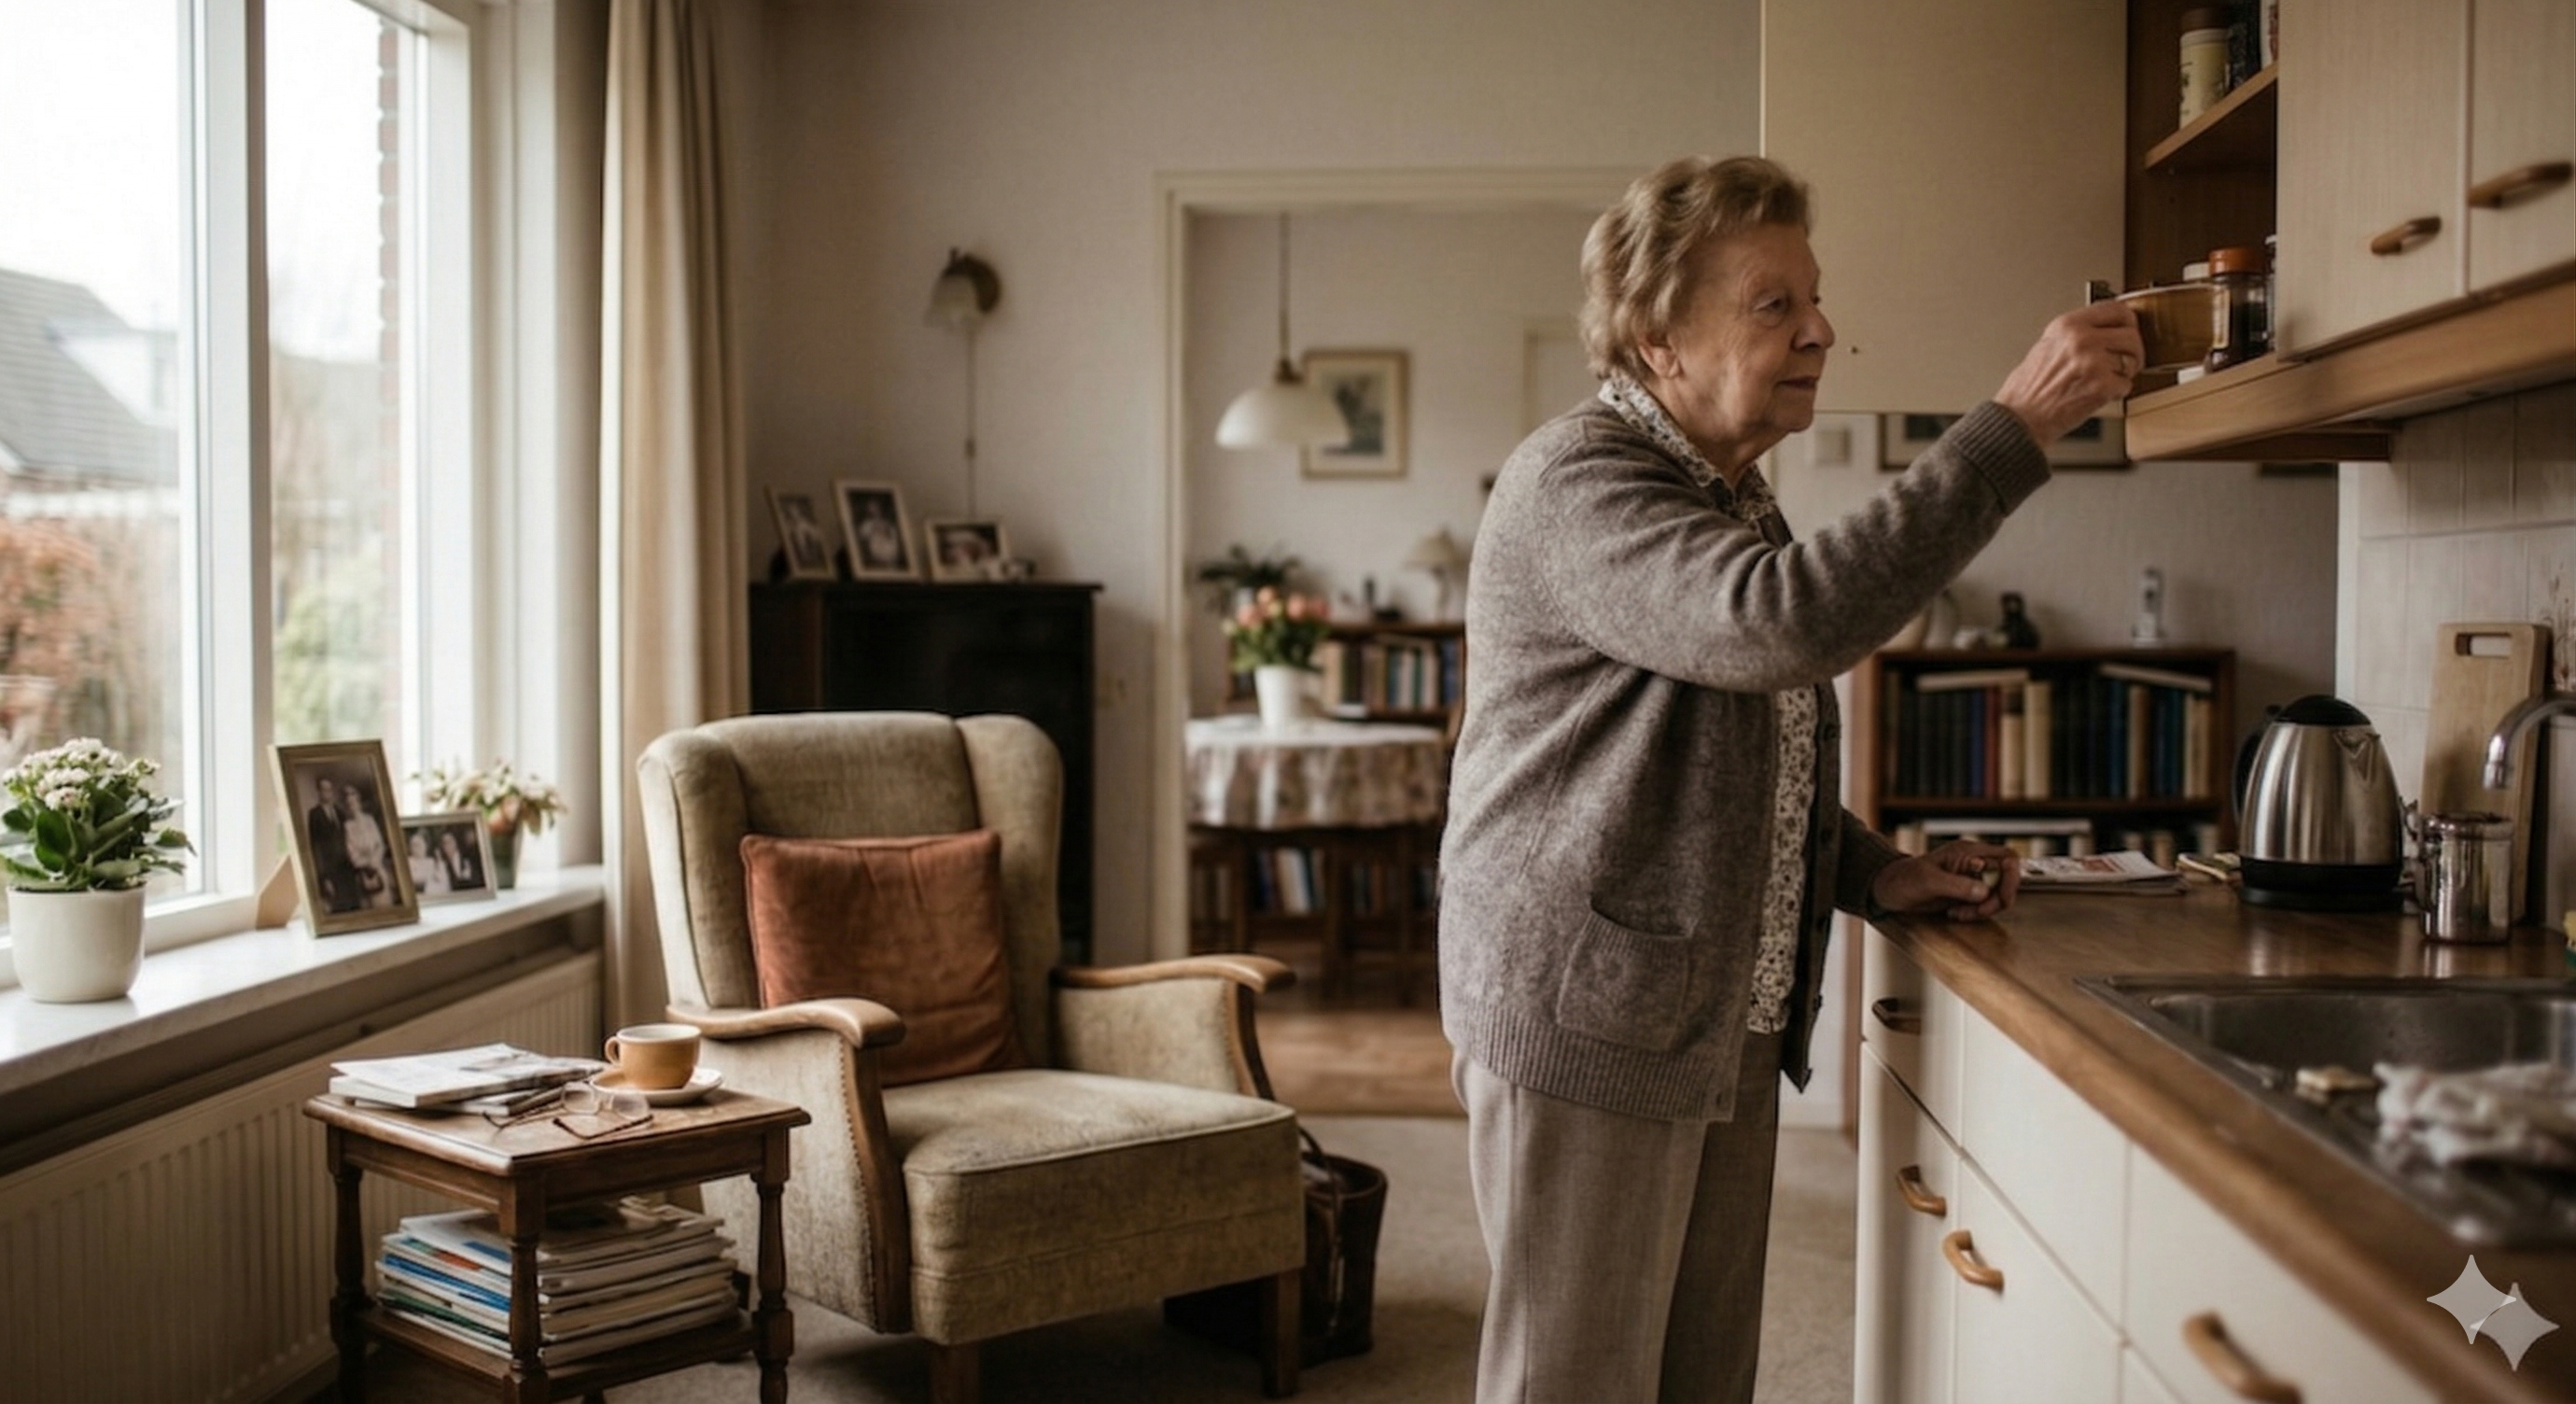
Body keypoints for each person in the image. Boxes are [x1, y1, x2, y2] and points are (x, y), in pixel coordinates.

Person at [1438, 155, 2140, 1404]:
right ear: (1658, 339)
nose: (1821, 328)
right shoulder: (1581, 481)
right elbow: (1781, 625)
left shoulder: (1726, 492)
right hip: (1587, 1012)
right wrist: (2013, 428)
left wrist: (1876, 871)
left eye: (1814, 299)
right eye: (1775, 303)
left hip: (1703, 1012)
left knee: (1700, 1377)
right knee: (1576, 1380)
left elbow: (1744, 747)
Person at [305, 776, 361, 914]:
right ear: (318, 792)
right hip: (330, 871)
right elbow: (316, 848)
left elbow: (349, 840)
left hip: (347, 869)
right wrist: (324, 877)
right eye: (323, 790)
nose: (327, 793)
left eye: (329, 789)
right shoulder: (314, 815)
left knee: (354, 908)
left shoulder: (340, 812)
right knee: (337, 909)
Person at [340, 783, 393, 907]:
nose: (352, 806)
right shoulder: (348, 826)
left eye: (354, 802)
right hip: (363, 874)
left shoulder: (369, 820)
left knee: (384, 903)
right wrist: (365, 864)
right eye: (349, 804)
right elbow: (351, 852)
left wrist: (374, 861)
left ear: (359, 802)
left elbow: (379, 844)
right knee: (367, 905)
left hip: (378, 868)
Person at [408, 831, 449, 895]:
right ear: (410, 848)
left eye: (419, 844)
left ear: (425, 845)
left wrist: (439, 862)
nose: (417, 848)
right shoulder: (409, 861)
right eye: (414, 845)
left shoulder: (431, 861)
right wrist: (430, 876)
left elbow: (440, 877)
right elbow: (413, 878)